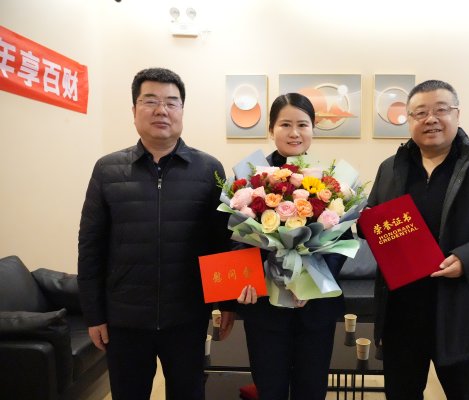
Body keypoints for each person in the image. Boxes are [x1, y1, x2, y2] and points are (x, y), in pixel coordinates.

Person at [367, 80, 469, 400]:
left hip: (463, 312)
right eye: (420, 113)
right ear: (409, 120)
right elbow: (375, 217)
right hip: (402, 314)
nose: (430, 119)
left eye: (441, 110)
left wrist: (467, 259)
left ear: (457, 114)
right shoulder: (391, 167)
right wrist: (364, 225)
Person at [77, 67, 230, 400]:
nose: (162, 110)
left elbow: (222, 241)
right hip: (125, 319)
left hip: (187, 317)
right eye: (150, 101)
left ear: (182, 111)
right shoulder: (107, 170)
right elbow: (90, 246)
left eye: (171, 102)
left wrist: (228, 304)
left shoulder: (209, 169)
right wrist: (93, 314)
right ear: (134, 110)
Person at [219, 93, 350, 400]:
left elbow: (341, 241)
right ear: (271, 129)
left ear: (313, 129)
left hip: (315, 309)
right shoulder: (249, 180)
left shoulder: (331, 183)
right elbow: (234, 237)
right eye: (285, 124)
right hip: (264, 308)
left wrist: (311, 282)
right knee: (270, 389)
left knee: (312, 390)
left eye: (302, 124)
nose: (294, 132)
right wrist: (244, 280)